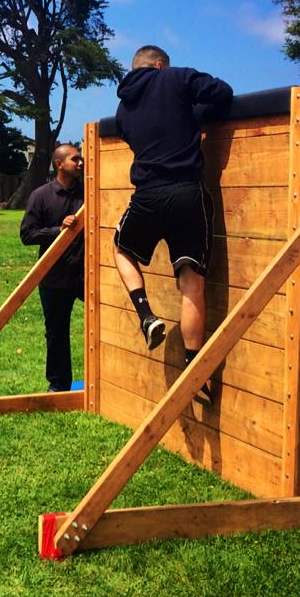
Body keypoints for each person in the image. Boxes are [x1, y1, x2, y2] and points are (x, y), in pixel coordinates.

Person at [112, 45, 233, 367]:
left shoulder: (123, 109)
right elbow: (223, 93)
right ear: (160, 64)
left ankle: (146, 314)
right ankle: (196, 371)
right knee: (191, 280)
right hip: (187, 191)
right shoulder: (177, 78)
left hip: (147, 194)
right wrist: (195, 115)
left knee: (121, 250)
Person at [19, 144, 84, 392]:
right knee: (56, 333)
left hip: (86, 274)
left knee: (106, 321)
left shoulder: (88, 193)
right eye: (75, 159)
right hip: (53, 277)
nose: (80, 163)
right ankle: (59, 385)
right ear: (59, 164)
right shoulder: (41, 195)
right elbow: (27, 235)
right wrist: (59, 230)